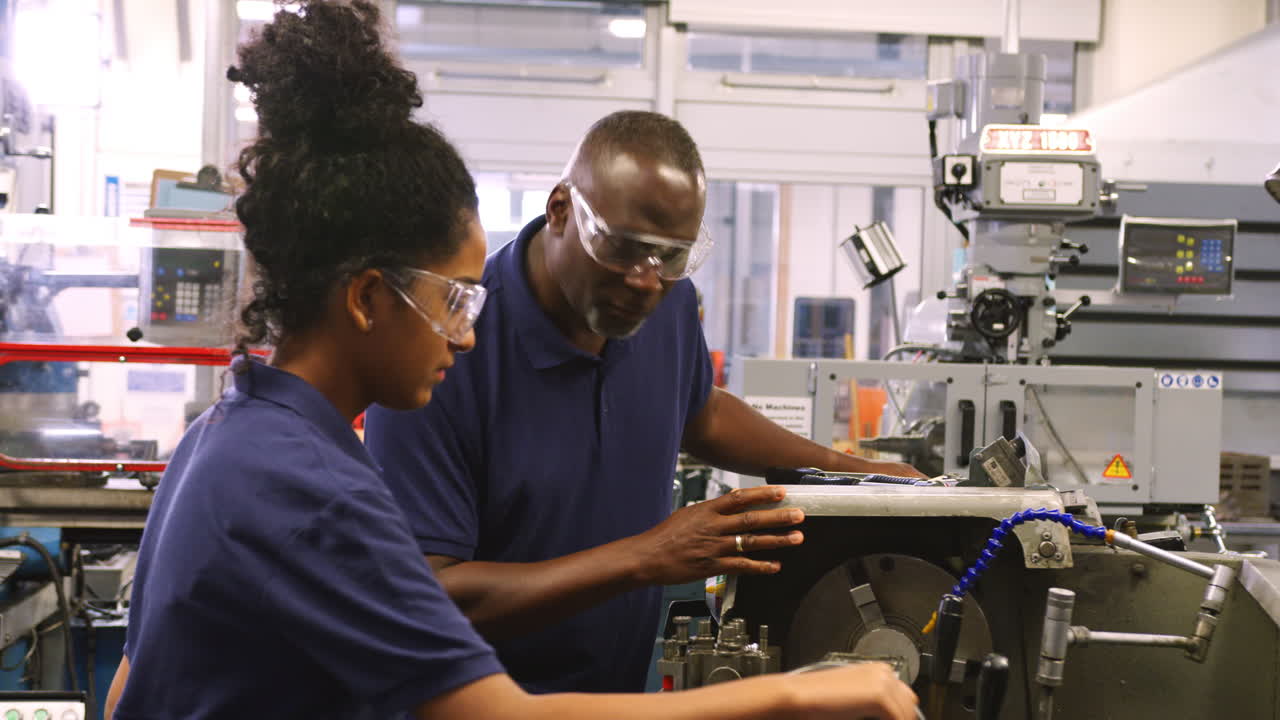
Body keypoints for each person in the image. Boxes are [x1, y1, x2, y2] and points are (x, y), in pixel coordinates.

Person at [102, 2, 918, 719]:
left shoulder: (224, 437)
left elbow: (130, 687)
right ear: (365, 300)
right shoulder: (316, 491)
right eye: (454, 299)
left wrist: (849, 471)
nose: (465, 332)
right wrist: (799, 690)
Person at [363, 110, 928, 694]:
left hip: (619, 694)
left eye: (673, 256)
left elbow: (700, 412)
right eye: (623, 247)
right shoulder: (443, 352)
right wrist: (648, 557)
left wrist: (852, 472)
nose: (645, 281)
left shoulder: (666, 304)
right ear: (560, 209)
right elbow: (430, 595)